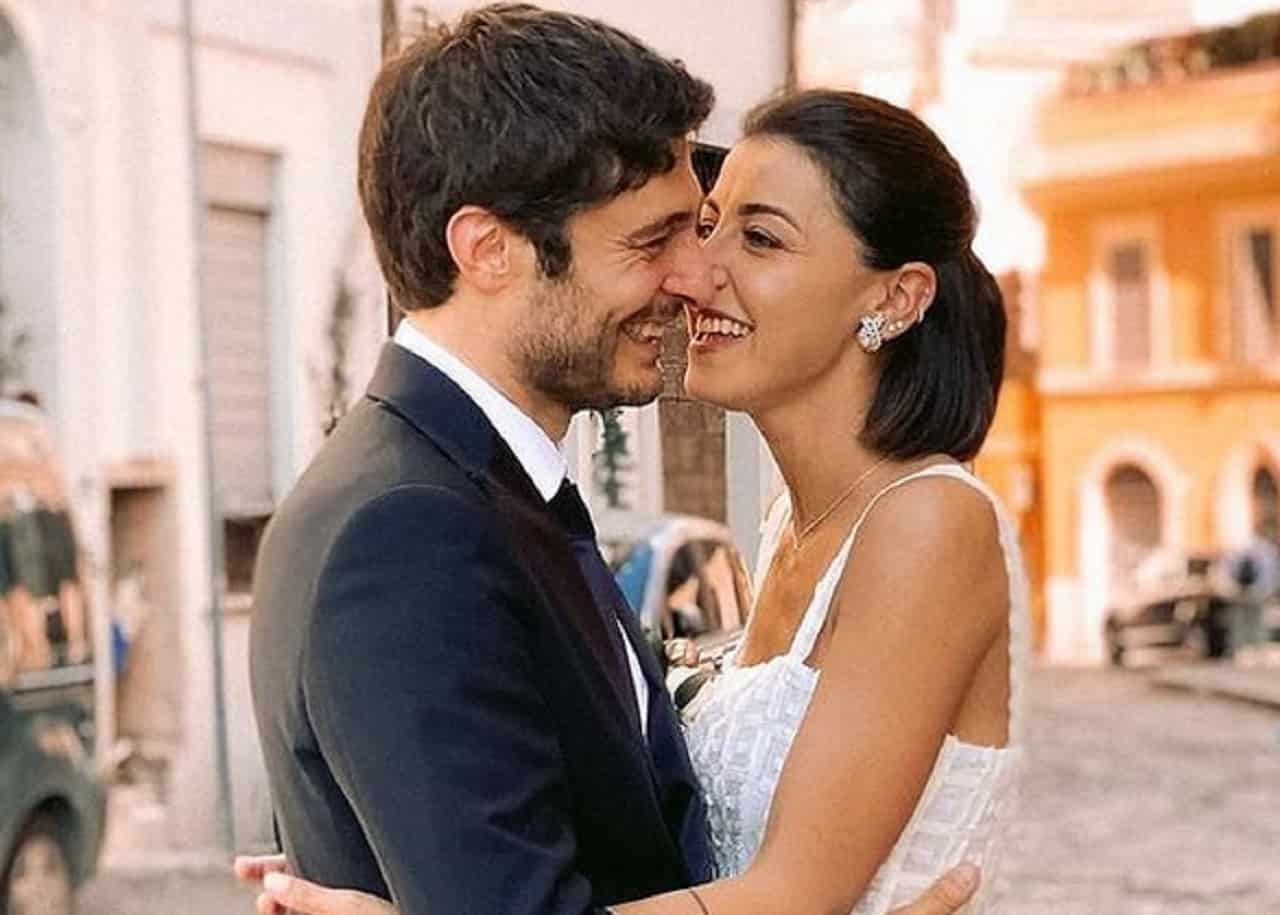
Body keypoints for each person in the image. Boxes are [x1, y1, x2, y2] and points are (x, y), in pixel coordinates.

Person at [243, 6, 980, 915]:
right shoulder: (408, 531)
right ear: (489, 251)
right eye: (652, 240)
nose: (693, 276)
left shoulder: (479, 491)